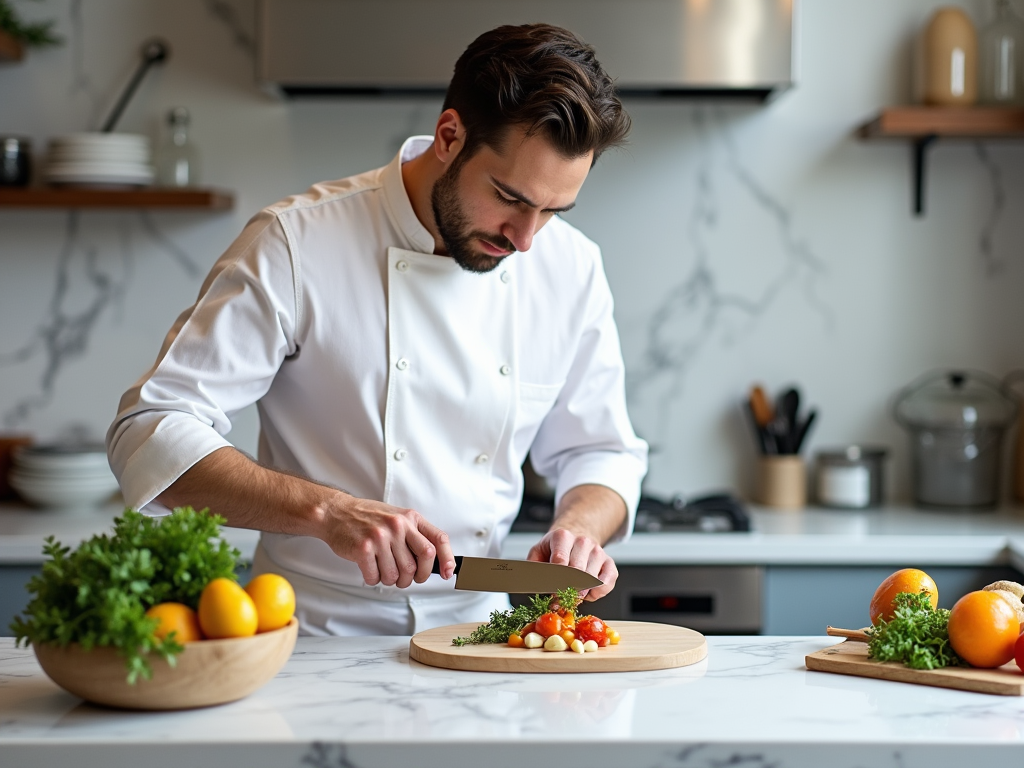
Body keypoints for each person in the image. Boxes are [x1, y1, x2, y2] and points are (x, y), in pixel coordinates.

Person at [106, 23, 648, 636]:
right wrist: (327, 511)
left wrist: (578, 527)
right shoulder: (296, 242)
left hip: (485, 636)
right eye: (509, 197)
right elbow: (150, 433)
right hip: (314, 637)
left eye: (552, 211)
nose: (526, 239)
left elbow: (600, 450)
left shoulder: (570, 268)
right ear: (450, 136)